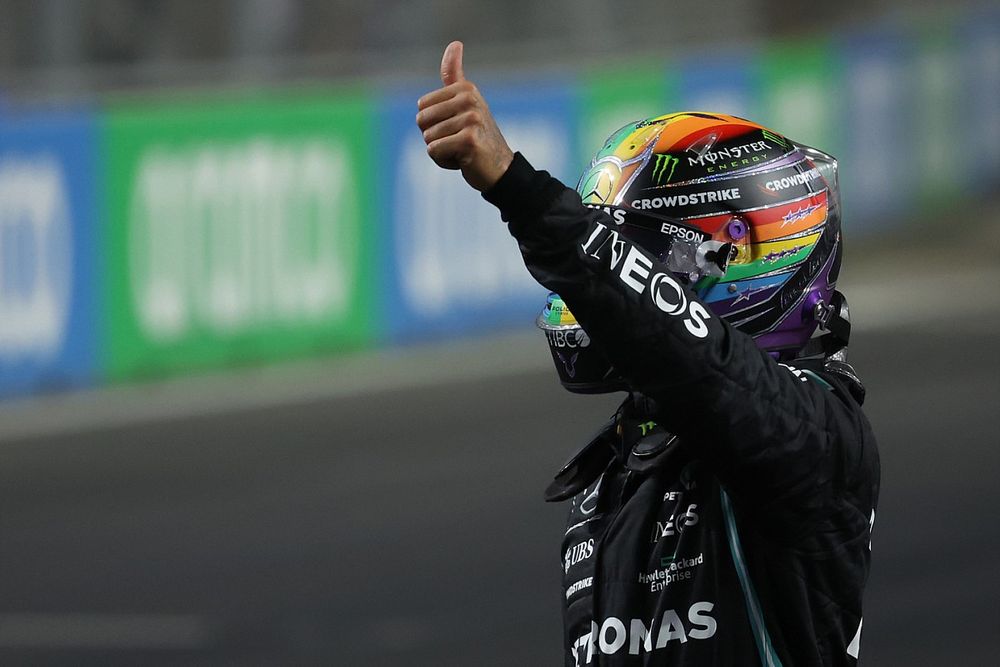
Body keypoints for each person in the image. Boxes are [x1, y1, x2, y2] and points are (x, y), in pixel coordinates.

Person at [416, 41, 880, 666]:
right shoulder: (619, 470)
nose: (630, 278)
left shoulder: (817, 434)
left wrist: (517, 189)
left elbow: (697, 361)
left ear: (737, 253)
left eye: (643, 255)